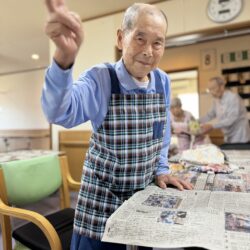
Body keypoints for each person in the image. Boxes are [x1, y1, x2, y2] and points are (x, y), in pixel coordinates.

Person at [42, 1, 193, 249]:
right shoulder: (100, 78)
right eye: (140, 39)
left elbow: (161, 133)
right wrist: (63, 58)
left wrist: (162, 168)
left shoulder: (162, 81)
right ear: (121, 38)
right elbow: (60, 112)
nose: (148, 51)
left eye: (158, 42)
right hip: (101, 207)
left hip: (142, 202)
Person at [200, 77, 250, 143]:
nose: (211, 92)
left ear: (222, 86)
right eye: (210, 89)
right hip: (228, 134)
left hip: (240, 134)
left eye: (213, 88)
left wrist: (212, 126)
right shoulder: (216, 100)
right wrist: (196, 121)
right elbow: (210, 115)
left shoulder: (233, 98)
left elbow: (231, 119)